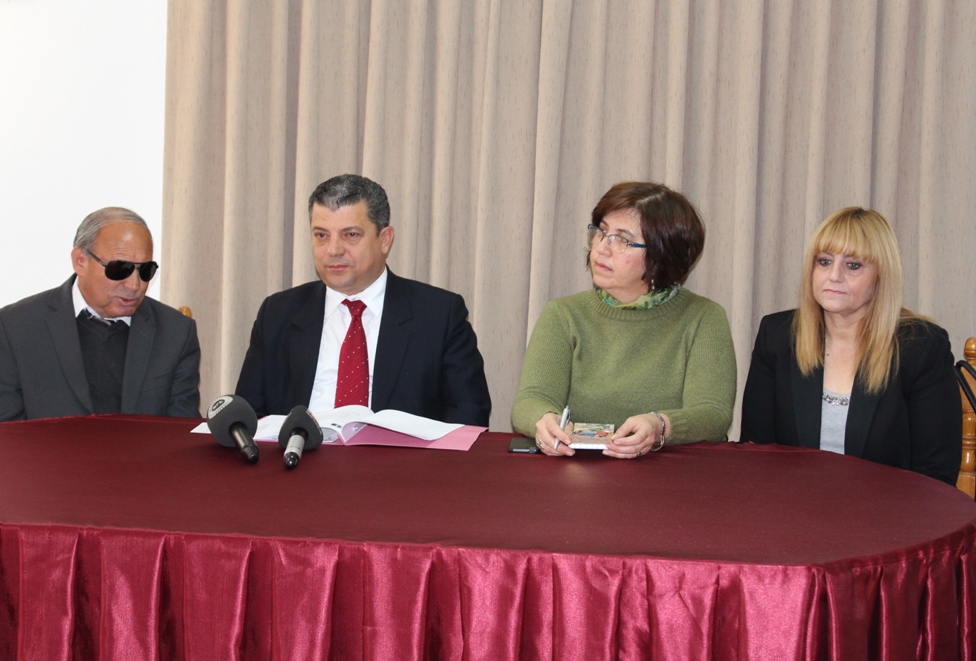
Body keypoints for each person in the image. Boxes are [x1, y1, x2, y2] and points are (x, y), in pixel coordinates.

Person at [235, 174, 491, 425]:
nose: (333, 250)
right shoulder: (278, 313)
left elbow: (468, 416)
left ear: (385, 239)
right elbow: (247, 416)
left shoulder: (439, 315)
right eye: (322, 235)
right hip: (298, 450)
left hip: (398, 454)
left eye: (351, 235)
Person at [511, 182, 737, 457]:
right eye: (602, 232)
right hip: (578, 469)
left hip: (667, 473)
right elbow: (531, 400)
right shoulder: (563, 314)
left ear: (661, 256)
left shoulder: (703, 317)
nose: (602, 248)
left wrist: (660, 425)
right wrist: (544, 420)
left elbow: (713, 413)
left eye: (622, 240)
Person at [741, 208, 961, 485]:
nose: (834, 276)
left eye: (853, 265)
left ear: (881, 276)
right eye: (824, 261)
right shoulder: (777, 335)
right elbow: (755, 453)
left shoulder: (922, 347)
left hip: (888, 508)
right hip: (792, 505)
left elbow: (935, 475)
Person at [0, 208, 201, 423]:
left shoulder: (175, 333)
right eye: (120, 269)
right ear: (80, 261)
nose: (135, 285)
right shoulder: (17, 328)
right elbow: (0, 433)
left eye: (145, 270)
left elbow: (182, 434)